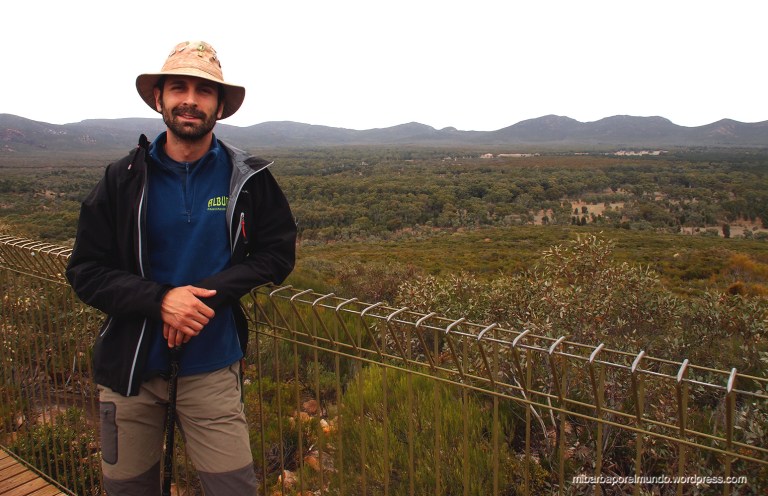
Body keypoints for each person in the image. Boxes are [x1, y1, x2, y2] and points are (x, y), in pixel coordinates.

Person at [66, 40, 296, 495]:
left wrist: (204, 294)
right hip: (130, 370)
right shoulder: (121, 179)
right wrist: (161, 301)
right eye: (178, 87)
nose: (190, 99)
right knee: (128, 489)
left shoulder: (247, 178)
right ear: (160, 99)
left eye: (204, 91)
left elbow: (278, 253)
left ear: (219, 107)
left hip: (212, 367)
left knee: (234, 488)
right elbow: (85, 270)